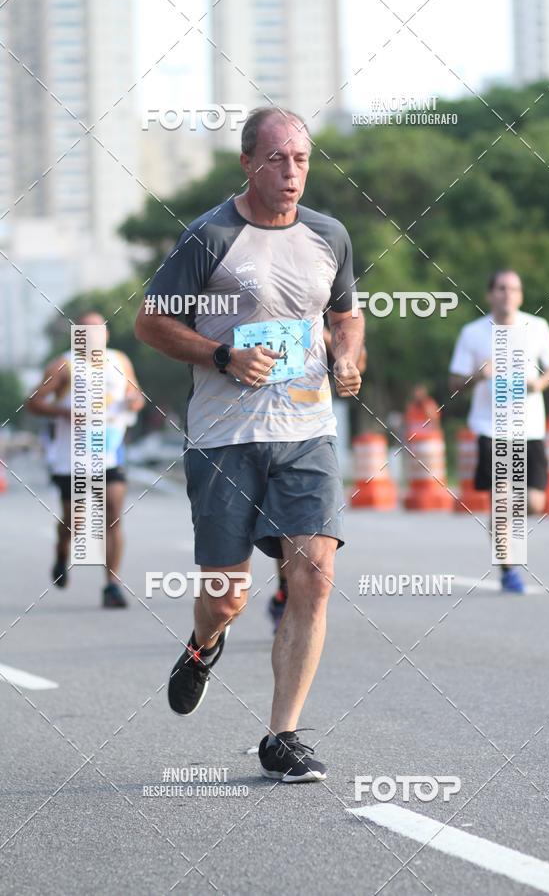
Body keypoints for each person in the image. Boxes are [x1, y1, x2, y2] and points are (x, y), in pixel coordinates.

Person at [135, 106, 365, 781]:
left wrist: (347, 356)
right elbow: (151, 323)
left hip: (307, 432)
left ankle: (282, 736)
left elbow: (346, 315)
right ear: (247, 163)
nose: (291, 172)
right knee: (226, 597)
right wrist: (221, 355)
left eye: (301, 160)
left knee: (314, 574)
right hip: (224, 439)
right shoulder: (209, 236)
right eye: (276, 159)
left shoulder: (329, 234)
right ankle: (204, 642)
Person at [449, 269, 549, 592]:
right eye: (501, 288)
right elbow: (455, 382)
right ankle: (508, 570)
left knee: (535, 503)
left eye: (514, 289)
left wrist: (540, 383)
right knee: (501, 500)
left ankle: (504, 519)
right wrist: (478, 375)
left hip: (530, 427)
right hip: (492, 428)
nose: (507, 294)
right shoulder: (473, 333)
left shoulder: (537, 327)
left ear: (521, 295)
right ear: (490, 294)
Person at [28, 311, 145, 607]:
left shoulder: (119, 361)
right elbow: (33, 402)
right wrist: (64, 412)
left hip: (109, 454)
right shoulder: (63, 365)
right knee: (75, 521)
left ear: (106, 334)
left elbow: (136, 394)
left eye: (99, 330)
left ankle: (112, 586)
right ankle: (62, 551)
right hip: (72, 458)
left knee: (113, 515)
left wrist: (134, 401)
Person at [266, 324, 367, 633]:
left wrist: (325, 341)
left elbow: (358, 362)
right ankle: (284, 588)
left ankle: (289, 595)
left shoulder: (332, 313)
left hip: (307, 433)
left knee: (298, 531)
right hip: (252, 428)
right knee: (273, 532)